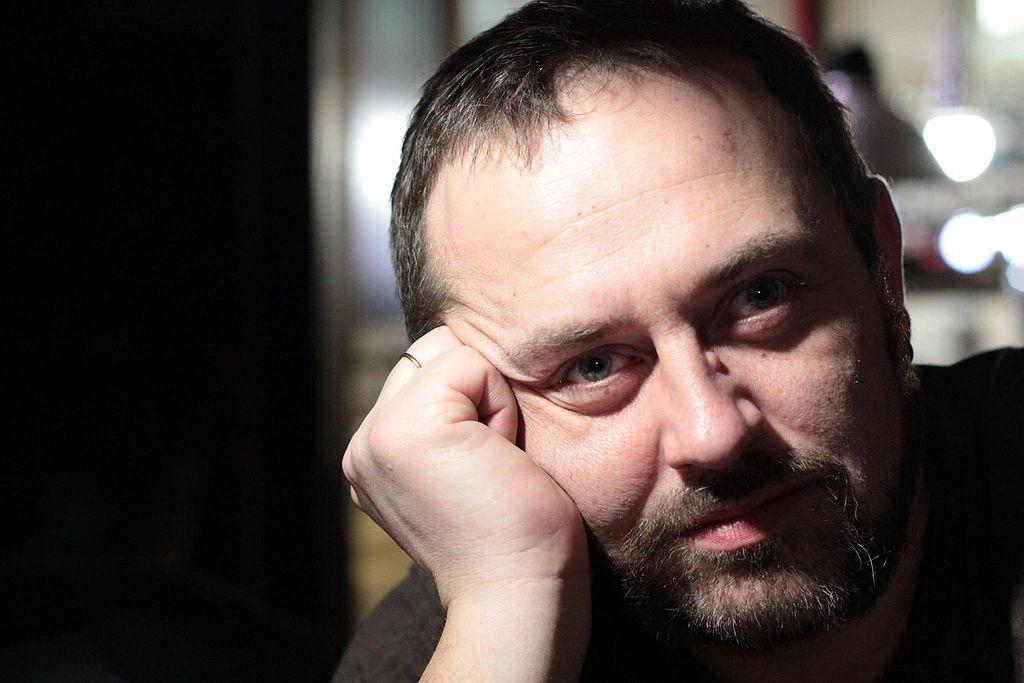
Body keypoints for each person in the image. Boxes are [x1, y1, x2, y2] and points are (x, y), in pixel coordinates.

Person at [337, 1, 1024, 680]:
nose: (712, 433)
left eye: (762, 297)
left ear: (881, 264)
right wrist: (507, 610)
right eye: (593, 365)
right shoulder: (472, 636)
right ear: (477, 406)